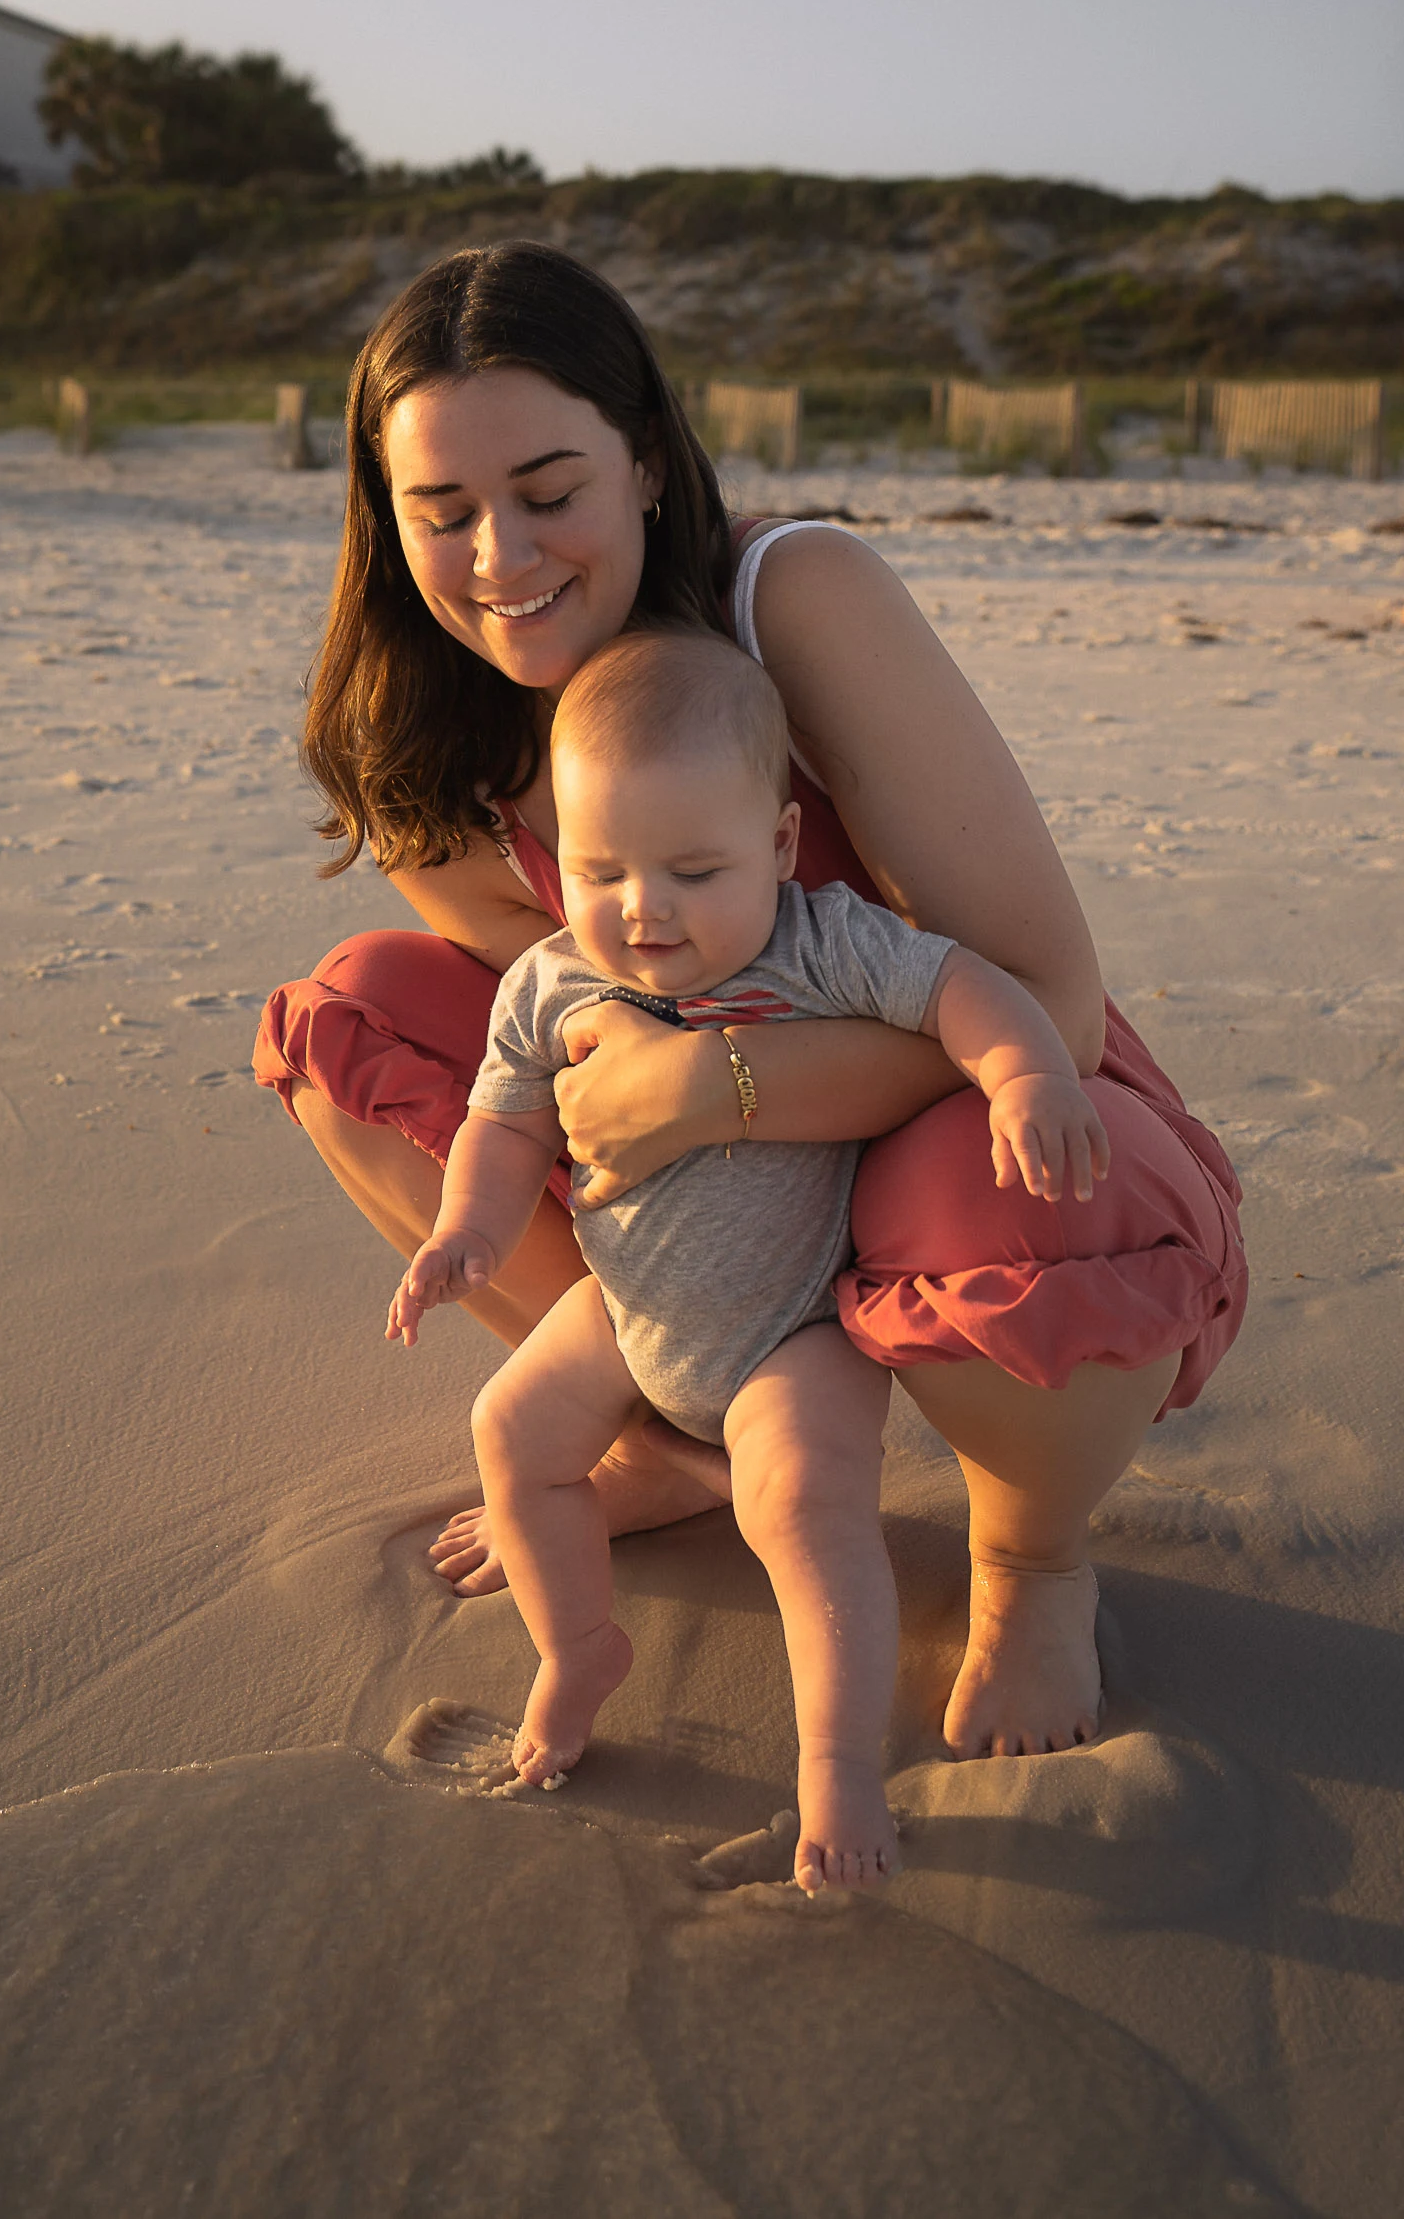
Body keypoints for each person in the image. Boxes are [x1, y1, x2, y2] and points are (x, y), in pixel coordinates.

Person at [253, 240, 1246, 1763]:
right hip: (713, 1226)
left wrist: (718, 1092)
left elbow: (1053, 998)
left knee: (1020, 1192)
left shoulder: (793, 596)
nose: (501, 554)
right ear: (387, 520)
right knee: (354, 1018)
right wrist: (609, 1107)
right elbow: (545, 1015)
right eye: (441, 510)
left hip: (986, 1108)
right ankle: (677, 1428)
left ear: (646, 461)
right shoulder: (428, 738)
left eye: (549, 489)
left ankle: (1030, 1557)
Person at [386, 628, 1111, 1889]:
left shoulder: (818, 944)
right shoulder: (550, 982)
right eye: (600, 868)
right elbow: (499, 1126)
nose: (641, 907)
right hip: (625, 1306)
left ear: (775, 848)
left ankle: (832, 1772)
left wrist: (1022, 1072)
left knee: (804, 1515)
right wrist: (468, 1231)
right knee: (508, 1428)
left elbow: (960, 987)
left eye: (691, 868)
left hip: (793, 1331)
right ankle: (575, 1650)